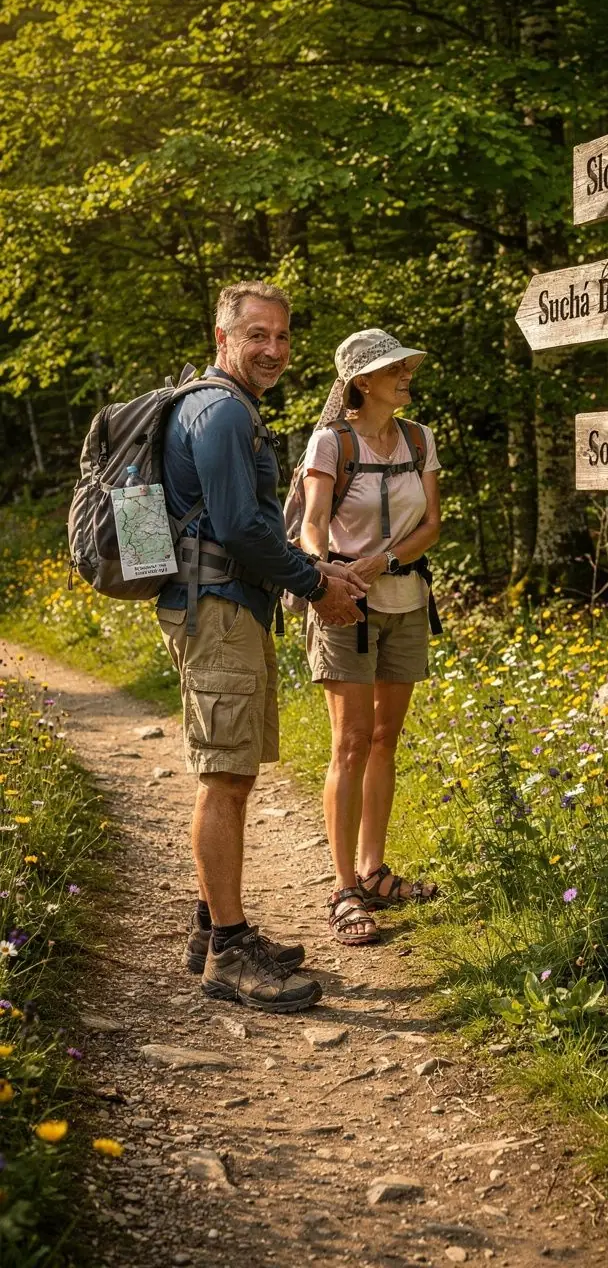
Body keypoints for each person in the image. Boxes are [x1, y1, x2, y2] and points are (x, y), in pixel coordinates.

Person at [157, 280, 366, 1011]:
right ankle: (229, 954)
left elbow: (247, 527)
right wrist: (318, 587)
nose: (273, 349)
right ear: (222, 339)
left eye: (281, 336)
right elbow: (242, 526)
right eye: (256, 335)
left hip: (227, 606)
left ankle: (214, 923)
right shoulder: (218, 414)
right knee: (224, 774)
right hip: (214, 610)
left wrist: (313, 566)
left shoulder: (228, 409)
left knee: (234, 772)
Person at [299, 329, 441, 946]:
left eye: (407, 366)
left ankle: (373, 870)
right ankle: (343, 889)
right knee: (350, 744)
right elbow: (310, 524)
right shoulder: (331, 442)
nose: (407, 375)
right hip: (344, 607)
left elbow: (432, 523)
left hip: (406, 601)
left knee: (386, 737)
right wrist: (326, 573)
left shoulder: (419, 439)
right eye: (394, 369)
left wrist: (383, 561)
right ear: (362, 381)